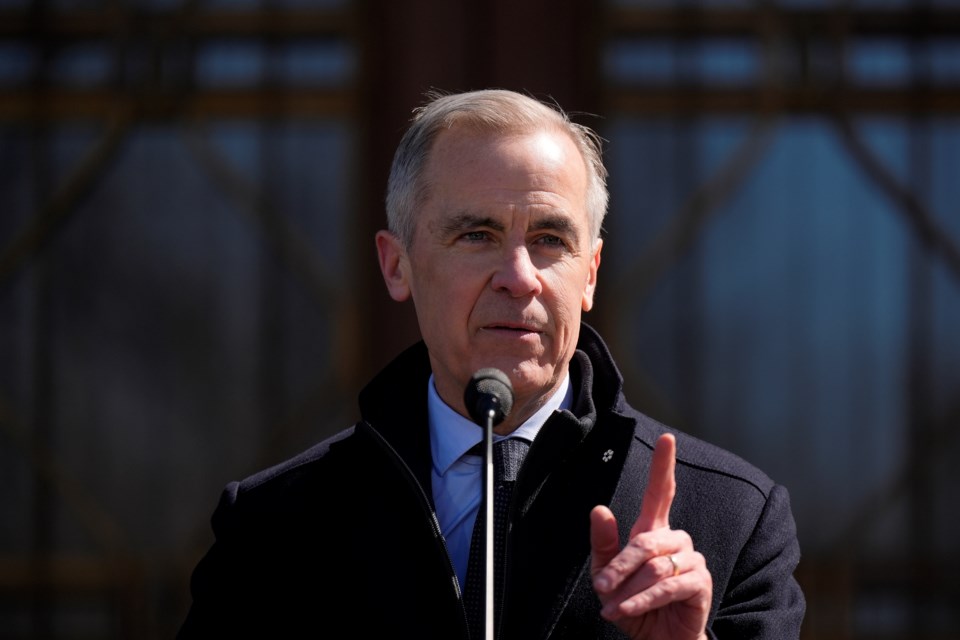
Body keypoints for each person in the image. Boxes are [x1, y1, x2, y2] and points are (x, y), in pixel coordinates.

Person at [177, 88, 805, 639]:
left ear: (589, 275)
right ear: (397, 265)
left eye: (551, 240)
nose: (519, 277)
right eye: (476, 235)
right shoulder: (273, 526)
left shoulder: (729, 520)